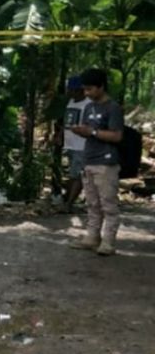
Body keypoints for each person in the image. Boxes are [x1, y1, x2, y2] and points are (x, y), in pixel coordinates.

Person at [69, 68, 124, 255]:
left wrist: (91, 132)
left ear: (101, 86)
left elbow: (117, 136)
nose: (87, 93)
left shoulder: (113, 108)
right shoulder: (88, 107)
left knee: (108, 204)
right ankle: (92, 237)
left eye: (90, 89)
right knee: (92, 203)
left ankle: (109, 241)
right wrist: (80, 130)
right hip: (89, 158)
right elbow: (88, 128)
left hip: (106, 162)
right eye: (85, 90)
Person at [59, 76, 89, 210]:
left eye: (71, 90)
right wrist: (60, 135)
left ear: (79, 90)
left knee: (78, 175)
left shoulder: (89, 105)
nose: (69, 93)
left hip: (82, 145)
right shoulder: (71, 102)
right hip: (70, 144)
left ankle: (69, 203)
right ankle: (67, 200)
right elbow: (66, 121)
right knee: (73, 173)